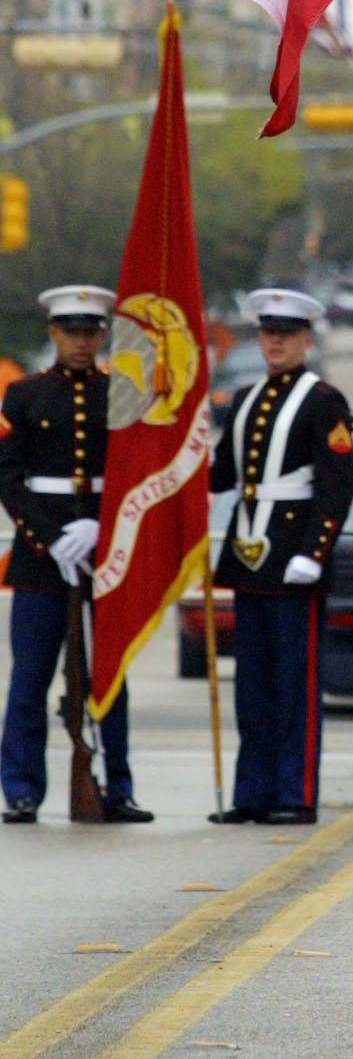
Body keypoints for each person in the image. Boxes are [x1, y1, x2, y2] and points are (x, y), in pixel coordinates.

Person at [0, 286, 153, 826]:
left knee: (109, 676)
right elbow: (9, 479)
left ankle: (117, 785)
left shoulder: (121, 395)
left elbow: (135, 477)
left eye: (91, 332)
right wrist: (49, 537)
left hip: (103, 553)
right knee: (31, 679)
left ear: (102, 335)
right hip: (43, 558)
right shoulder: (23, 396)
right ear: (53, 333)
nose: (81, 342)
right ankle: (20, 788)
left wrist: (100, 527)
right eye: (71, 332)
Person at [208, 290, 353, 825]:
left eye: (286, 334)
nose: (275, 342)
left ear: (305, 340)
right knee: (252, 689)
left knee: (295, 688)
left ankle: (295, 794)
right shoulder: (245, 397)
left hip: (295, 561)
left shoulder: (323, 402)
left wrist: (315, 553)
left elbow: (336, 487)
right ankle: (253, 793)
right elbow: (224, 475)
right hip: (250, 562)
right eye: (268, 333)